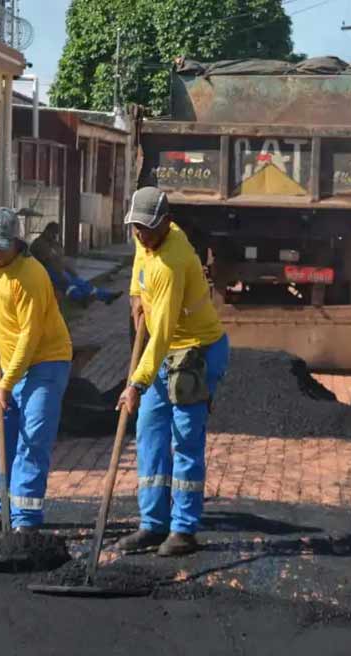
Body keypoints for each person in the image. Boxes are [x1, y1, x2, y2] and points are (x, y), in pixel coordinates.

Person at [115, 187, 229, 558]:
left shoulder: (172, 262)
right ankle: (152, 524)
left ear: (166, 222)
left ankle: (183, 529)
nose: (141, 235)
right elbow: (138, 264)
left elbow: (161, 335)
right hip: (166, 353)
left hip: (195, 352)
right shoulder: (144, 237)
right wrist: (135, 296)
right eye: (136, 228)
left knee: (185, 440)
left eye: (147, 229)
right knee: (149, 432)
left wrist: (135, 383)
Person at [0, 208, 73, 533]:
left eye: (0, 247)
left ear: (18, 244)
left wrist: (6, 384)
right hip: (7, 362)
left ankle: (25, 519)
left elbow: (30, 339)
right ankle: (2, 507)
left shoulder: (31, 276)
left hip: (45, 361)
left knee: (33, 436)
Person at [29, 222, 122, 305]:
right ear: (47, 231)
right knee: (69, 284)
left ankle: (106, 296)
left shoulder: (54, 244)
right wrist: (61, 272)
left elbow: (60, 260)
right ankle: (81, 299)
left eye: (56, 234)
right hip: (47, 272)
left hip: (60, 271)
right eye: (53, 233)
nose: (54, 236)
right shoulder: (39, 244)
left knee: (81, 282)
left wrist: (69, 270)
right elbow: (48, 261)